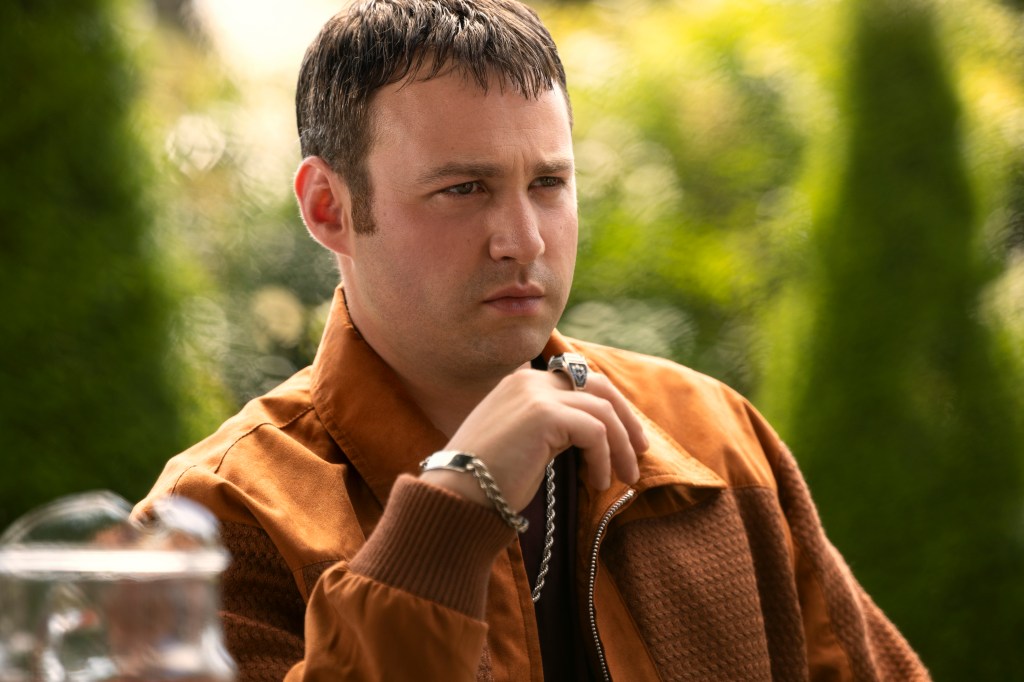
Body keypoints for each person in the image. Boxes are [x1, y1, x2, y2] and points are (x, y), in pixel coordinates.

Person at [136, 0, 930, 679]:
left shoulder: (715, 442)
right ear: (329, 208)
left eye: (547, 183)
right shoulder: (217, 517)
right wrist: (451, 513)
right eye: (463, 189)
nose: (522, 239)